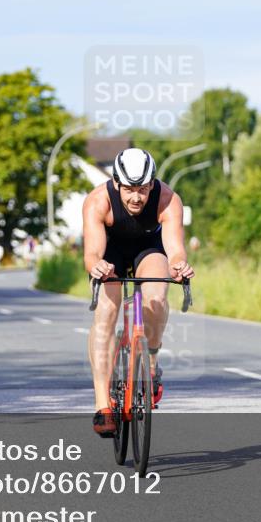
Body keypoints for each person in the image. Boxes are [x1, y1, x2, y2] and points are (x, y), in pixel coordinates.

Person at [82, 148, 194, 436]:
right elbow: (92, 253)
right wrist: (97, 267)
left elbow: (175, 249)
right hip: (110, 251)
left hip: (148, 248)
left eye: (143, 190)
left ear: (152, 184)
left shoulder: (168, 199)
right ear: (117, 184)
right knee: (106, 312)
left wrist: (179, 265)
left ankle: (151, 364)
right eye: (130, 190)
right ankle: (101, 404)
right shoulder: (97, 201)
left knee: (156, 297)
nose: (136, 197)